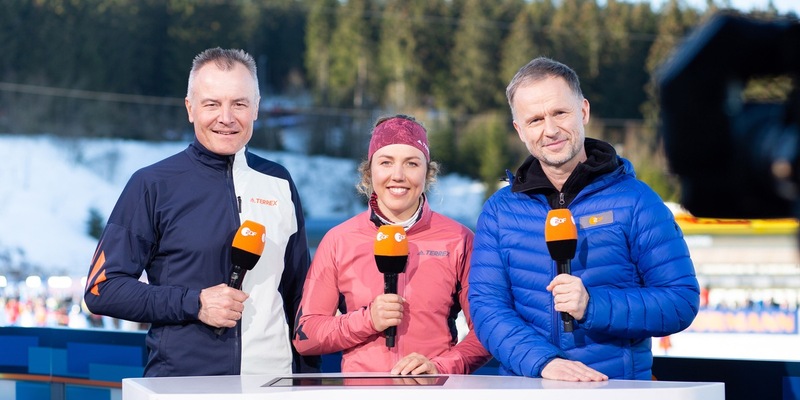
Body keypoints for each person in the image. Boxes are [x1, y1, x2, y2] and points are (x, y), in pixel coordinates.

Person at [84, 47, 319, 377]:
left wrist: (308, 382)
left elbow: (300, 297)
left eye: (239, 103)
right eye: (212, 103)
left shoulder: (279, 182)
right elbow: (102, 289)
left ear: (256, 109)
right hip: (182, 384)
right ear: (190, 108)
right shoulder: (152, 184)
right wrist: (193, 303)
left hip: (273, 383)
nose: (226, 117)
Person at [468, 57, 700, 381]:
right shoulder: (499, 212)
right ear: (520, 131)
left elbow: (680, 300)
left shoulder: (636, 200)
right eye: (535, 120)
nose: (550, 130)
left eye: (559, 113)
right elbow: (487, 308)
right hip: (529, 388)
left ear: (584, 111)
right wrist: (543, 363)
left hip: (614, 388)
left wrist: (594, 306)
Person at [292, 115, 491, 375]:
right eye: (386, 162)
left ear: (427, 172)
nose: (398, 175)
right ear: (369, 170)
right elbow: (306, 336)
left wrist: (440, 367)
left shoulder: (459, 239)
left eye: (411, 163)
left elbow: (487, 333)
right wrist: (367, 320)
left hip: (433, 394)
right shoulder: (339, 240)